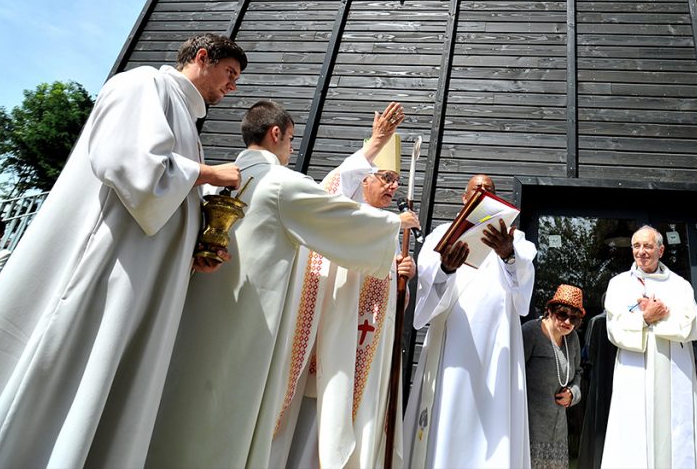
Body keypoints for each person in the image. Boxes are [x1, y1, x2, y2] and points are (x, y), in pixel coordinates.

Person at [0, 34, 246, 468]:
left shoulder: (184, 119)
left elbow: (166, 193)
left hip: (141, 277)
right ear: (203, 58)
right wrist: (210, 174)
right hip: (107, 269)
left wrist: (196, 245)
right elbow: (128, 164)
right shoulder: (144, 84)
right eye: (230, 73)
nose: (232, 86)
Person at [145, 100, 406, 469]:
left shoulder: (210, 180)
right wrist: (394, 224)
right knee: (227, 412)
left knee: (180, 398)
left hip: (189, 309)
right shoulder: (281, 183)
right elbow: (334, 201)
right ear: (276, 133)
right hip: (253, 316)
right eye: (292, 140)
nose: (292, 149)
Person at [279, 102, 418, 468]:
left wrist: (401, 282)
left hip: (370, 350)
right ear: (363, 180)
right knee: (319, 423)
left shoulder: (389, 233)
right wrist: (374, 143)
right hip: (333, 343)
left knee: (361, 424)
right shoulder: (345, 216)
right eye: (384, 177)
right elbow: (334, 188)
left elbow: (388, 310)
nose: (392, 185)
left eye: (395, 180)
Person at [403, 174, 537, 469]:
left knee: (494, 417)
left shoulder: (515, 239)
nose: (482, 192)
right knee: (450, 408)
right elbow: (428, 285)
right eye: (476, 189)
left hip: (497, 342)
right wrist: (446, 270)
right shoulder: (441, 234)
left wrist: (508, 256)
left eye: (489, 189)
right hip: (453, 342)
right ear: (465, 199)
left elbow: (522, 291)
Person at [602, 225, 697, 468]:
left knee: (676, 431)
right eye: (636, 246)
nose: (641, 252)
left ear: (661, 250)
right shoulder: (619, 284)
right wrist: (645, 318)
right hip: (634, 370)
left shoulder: (680, 285)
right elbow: (614, 328)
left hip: (673, 367)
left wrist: (657, 316)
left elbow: (692, 326)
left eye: (648, 246)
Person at [523, 284, 584, 469]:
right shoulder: (531, 332)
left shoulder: (571, 338)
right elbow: (514, 374)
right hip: (529, 428)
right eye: (562, 315)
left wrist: (573, 394)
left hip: (557, 432)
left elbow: (578, 373)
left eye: (574, 319)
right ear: (550, 310)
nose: (567, 322)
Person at [577, 298, 616, 469]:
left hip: (600, 375)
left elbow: (588, 352)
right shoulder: (605, 321)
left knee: (597, 420)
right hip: (613, 373)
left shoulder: (596, 322)